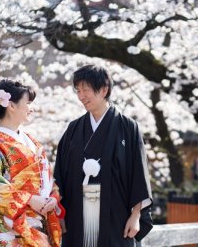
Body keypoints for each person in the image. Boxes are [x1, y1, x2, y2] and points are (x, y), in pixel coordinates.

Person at [54, 65, 153, 247]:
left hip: (115, 217)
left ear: (104, 89)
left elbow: (139, 174)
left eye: (86, 90)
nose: (81, 96)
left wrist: (136, 215)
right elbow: (59, 174)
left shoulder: (128, 128)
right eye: (78, 90)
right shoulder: (73, 129)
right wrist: (59, 214)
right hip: (77, 216)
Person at [0, 79, 65, 247]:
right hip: (11, 226)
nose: (32, 108)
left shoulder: (32, 141)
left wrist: (53, 197)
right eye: (28, 102)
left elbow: (48, 179)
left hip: (40, 222)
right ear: (11, 105)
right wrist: (30, 199)